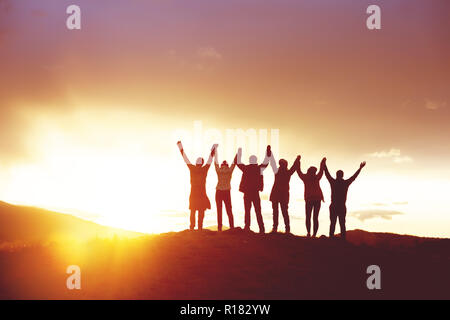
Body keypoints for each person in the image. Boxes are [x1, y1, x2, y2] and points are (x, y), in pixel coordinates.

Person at [177, 141, 217, 230]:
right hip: (201, 193)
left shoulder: (192, 168)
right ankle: (199, 227)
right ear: (202, 163)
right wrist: (213, 149)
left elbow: (185, 158)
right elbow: (210, 160)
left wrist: (180, 147)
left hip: (194, 193)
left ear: (196, 162)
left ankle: (192, 227)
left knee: (193, 211)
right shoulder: (204, 169)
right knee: (201, 211)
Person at [323, 159, 366, 240]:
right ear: (342, 175)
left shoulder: (333, 182)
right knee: (342, 223)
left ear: (336, 175)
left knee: (333, 223)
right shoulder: (345, 183)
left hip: (334, 206)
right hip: (341, 206)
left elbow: (327, 174)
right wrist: (360, 168)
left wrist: (324, 165)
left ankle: (331, 239)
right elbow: (354, 177)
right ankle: (343, 240)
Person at [236, 146, 270, 234]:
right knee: (258, 211)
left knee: (247, 211)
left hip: (247, 192)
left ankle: (247, 227)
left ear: (250, 160)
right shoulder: (259, 168)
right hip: (255, 193)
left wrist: (239, 153)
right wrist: (268, 152)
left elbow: (238, 163)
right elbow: (266, 162)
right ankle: (261, 229)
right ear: (256, 160)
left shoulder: (246, 168)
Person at [267, 146, 300, 233]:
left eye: (281, 164)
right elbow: (294, 167)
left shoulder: (278, 171)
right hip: (283, 194)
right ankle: (286, 229)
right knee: (283, 212)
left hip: (278, 194)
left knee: (278, 212)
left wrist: (269, 152)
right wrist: (297, 159)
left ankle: (277, 228)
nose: (280, 165)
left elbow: (272, 162)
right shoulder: (287, 172)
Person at [297, 157, 326, 237]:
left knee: (309, 217)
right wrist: (322, 162)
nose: (314, 172)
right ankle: (313, 234)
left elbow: (298, 171)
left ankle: (310, 233)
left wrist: (298, 161)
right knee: (314, 217)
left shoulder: (306, 178)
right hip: (316, 199)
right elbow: (321, 171)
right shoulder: (316, 177)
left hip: (310, 200)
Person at [214, 147, 237, 231]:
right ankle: (232, 227)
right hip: (227, 192)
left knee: (219, 210)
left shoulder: (219, 170)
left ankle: (219, 228)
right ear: (227, 165)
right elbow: (234, 163)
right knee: (229, 210)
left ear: (221, 165)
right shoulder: (229, 170)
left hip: (218, 192)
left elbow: (215, 163)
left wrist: (216, 152)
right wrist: (237, 154)